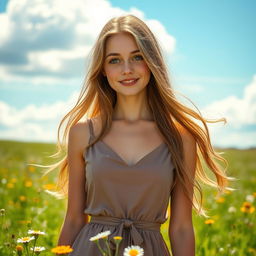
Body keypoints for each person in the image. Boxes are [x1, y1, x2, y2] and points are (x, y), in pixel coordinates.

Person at [46, 14, 234, 256]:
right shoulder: (83, 133)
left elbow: (182, 228)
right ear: (102, 70)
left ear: (152, 62)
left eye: (137, 57)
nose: (127, 69)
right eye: (114, 60)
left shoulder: (180, 139)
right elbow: (73, 219)